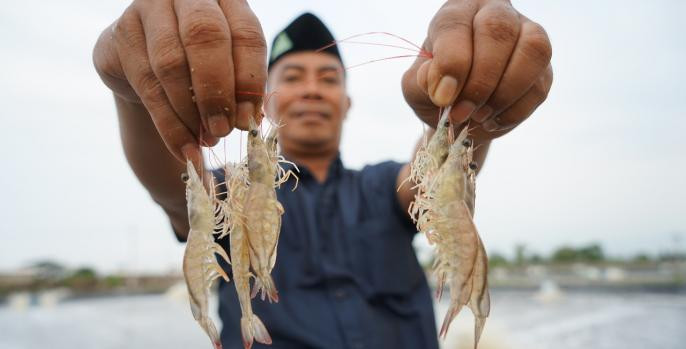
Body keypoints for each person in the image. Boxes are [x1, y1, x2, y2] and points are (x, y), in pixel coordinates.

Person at [93, 1, 552, 348]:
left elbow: (429, 182)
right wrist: (132, 93)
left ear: (347, 104)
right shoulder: (230, 192)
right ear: (266, 100)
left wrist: (468, 101)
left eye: (329, 79)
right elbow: (170, 183)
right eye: (293, 77)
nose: (312, 90)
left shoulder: (383, 188)